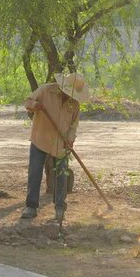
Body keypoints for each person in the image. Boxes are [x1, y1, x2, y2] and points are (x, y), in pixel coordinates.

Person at [21, 73, 90, 221]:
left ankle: (60, 207)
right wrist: (35, 106)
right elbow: (27, 101)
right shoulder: (46, 91)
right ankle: (31, 207)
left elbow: (73, 125)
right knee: (35, 173)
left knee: (61, 175)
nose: (69, 96)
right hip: (40, 138)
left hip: (61, 143)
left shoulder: (75, 104)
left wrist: (70, 140)